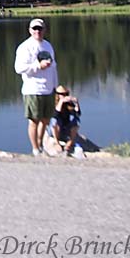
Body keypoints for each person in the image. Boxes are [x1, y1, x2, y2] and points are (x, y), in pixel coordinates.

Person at [14, 18, 58, 156]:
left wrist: (55, 87)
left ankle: (40, 144)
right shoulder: (25, 47)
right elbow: (19, 68)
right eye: (34, 29)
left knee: (45, 120)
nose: (37, 31)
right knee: (34, 120)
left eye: (40, 28)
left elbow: (54, 68)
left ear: (44, 30)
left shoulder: (48, 46)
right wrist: (38, 66)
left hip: (48, 89)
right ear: (30, 30)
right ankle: (35, 149)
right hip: (32, 89)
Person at [50, 85, 81, 155]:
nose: (64, 96)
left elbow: (78, 114)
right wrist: (61, 102)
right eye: (62, 94)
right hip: (55, 128)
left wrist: (76, 103)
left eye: (65, 94)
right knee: (54, 120)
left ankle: (70, 142)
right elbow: (55, 114)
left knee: (75, 119)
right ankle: (56, 142)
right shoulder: (53, 103)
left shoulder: (69, 104)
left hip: (66, 127)